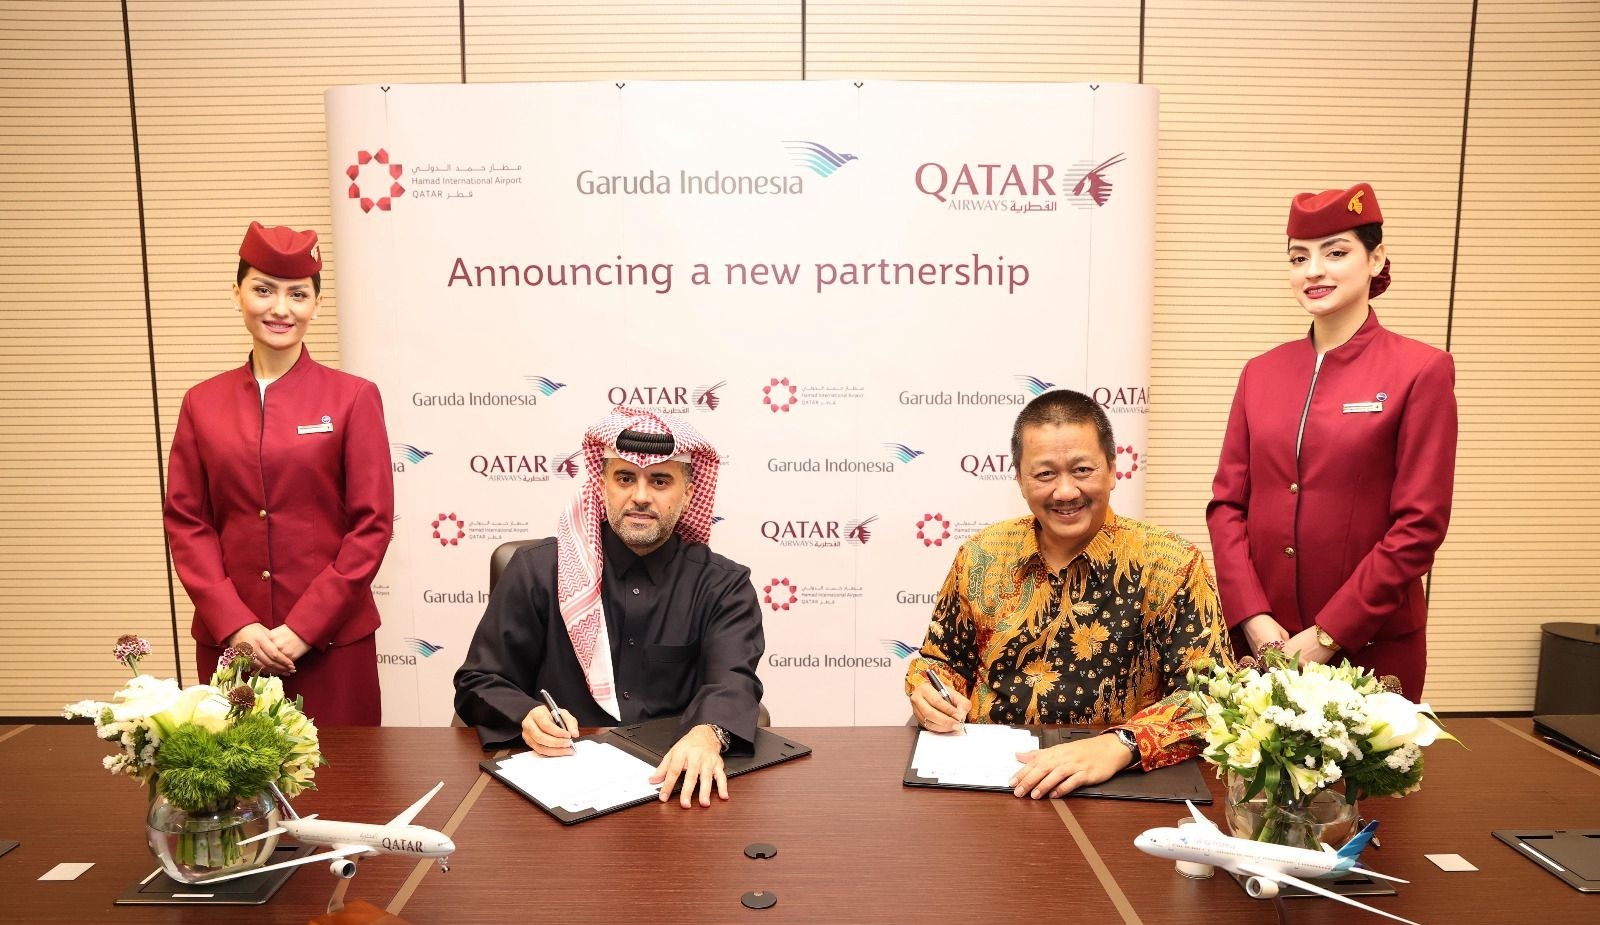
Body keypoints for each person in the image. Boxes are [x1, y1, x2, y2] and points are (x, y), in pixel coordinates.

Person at [906, 389, 1231, 799]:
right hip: (994, 778)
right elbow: (941, 661)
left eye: (1082, 470)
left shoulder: (1172, 564)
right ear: (1020, 480)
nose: (1065, 492)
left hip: (1119, 781)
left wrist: (1120, 744)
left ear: (1112, 469)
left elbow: (1211, 697)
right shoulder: (981, 555)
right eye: (1044, 474)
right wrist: (929, 691)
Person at [1207, 183, 1457, 700]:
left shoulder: (1420, 370)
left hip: (1372, 644)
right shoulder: (1260, 373)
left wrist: (1329, 633)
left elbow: (1419, 525)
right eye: (1299, 258)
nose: (1313, 271)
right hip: (1267, 642)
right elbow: (1227, 505)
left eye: (1336, 253)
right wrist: (1251, 615)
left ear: (1376, 258)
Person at [454, 408, 764, 809]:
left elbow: (733, 680)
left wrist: (708, 734)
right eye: (625, 478)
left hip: (673, 785)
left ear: (688, 494)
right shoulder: (538, 570)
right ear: (601, 486)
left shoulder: (723, 585)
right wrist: (527, 714)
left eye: (660, 480)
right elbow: (479, 680)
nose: (641, 496)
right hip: (559, 784)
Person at [164, 221, 394, 725]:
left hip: (331, 646)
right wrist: (236, 623)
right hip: (233, 649)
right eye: (264, 290)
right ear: (237, 293)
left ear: (317, 303)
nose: (281, 309)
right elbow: (187, 523)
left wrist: (305, 627)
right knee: (235, 773)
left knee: (342, 772)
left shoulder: (353, 398)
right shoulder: (202, 403)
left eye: (298, 294)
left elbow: (371, 525)